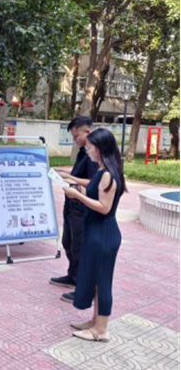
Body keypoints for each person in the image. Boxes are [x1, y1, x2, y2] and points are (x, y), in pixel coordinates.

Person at [62, 128, 126, 342]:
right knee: (98, 282)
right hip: (97, 231)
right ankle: (95, 322)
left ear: (100, 148)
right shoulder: (103, 170)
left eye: (90, 147)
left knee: (103, 283)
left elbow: (104, 208)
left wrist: (77, 196)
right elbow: (96, 196)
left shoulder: (108, 174)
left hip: (103, 234)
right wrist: (79, 191)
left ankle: (101, 330)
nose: (87, 150)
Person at [50, 116, 99, 303]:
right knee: (69, 242)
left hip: (82, 205)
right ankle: (73, 276)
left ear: (87, 132)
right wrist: (65, 174)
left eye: (76, 135)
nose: (74, 139)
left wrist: (71, 179)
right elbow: (80, 175)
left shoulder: (94, 154)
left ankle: (84, 288)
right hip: (72, 202)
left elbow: (94, 182)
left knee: (79, 246)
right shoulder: (83, 151)